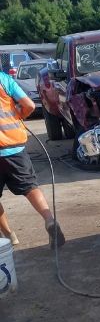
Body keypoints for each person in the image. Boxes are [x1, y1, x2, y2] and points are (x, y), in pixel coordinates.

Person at [0, 70, 65, 248]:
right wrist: (19, 115)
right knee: (30, 187)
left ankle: (9, 236)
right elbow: (28, 105)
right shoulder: (4, 79)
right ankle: (49, 220)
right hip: (14, 147)